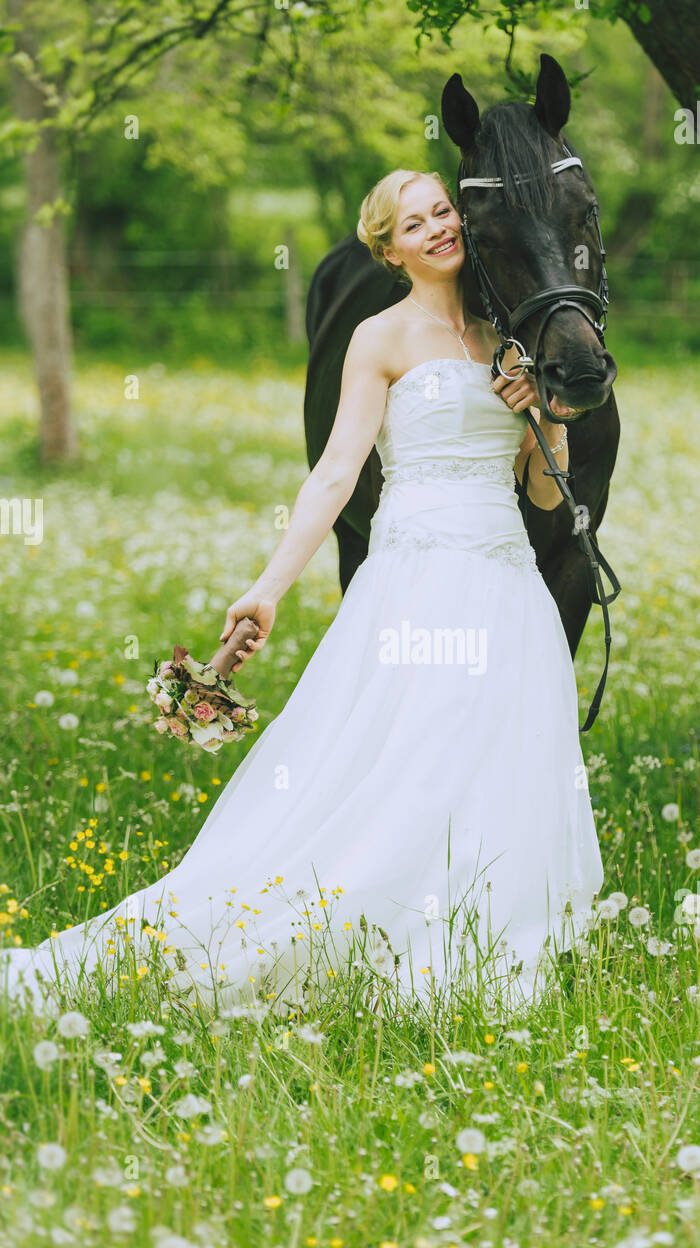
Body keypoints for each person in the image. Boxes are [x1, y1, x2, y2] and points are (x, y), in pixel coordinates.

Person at [1, 168, 604, 1019]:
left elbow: (545, 496)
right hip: (415, 584)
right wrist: (268, 587)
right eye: (414, 222)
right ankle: (365, 926)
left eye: (443, 211)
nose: (437, 228)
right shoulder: (380, 338)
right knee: (406, 764)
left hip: (505, 583)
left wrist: (547, 415)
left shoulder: (513, 338)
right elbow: (335, 472)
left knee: (496, 766)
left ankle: (478, 941)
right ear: (388, 249)